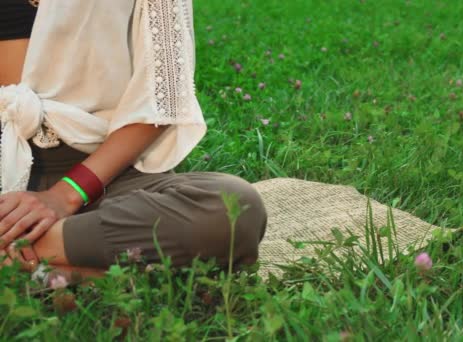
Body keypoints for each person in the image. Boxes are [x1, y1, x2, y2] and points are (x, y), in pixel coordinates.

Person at [0, 0, 267, 283]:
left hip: (107, 175)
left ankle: (19, 260)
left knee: (234, 209)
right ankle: (72, 276)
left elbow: (161, 100)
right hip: (7, 168)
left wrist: (64, 195)